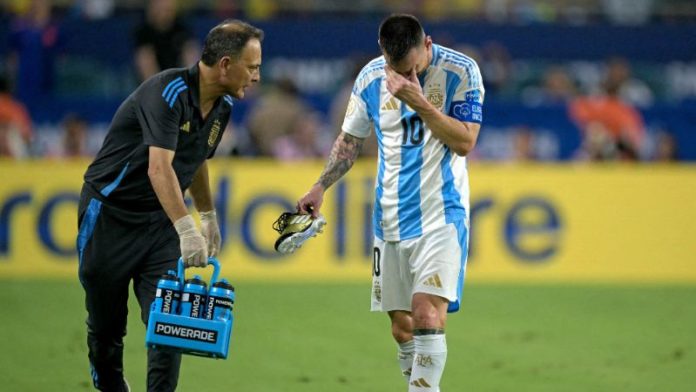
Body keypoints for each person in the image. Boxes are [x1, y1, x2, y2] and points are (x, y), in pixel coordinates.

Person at [296, 14, 484, 392]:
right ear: (383, 56)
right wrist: (320, 186)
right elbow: (350, 141)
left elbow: (465, 142)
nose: (405, 79)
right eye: (397, 71)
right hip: (390, 218)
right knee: (402, 328)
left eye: (413, 69)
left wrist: (420, 103)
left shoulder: (461, 71)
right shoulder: (370, 78)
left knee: (427, 312)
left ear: (427, 45)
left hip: (441, 214)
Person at [76, 20, 263, 391]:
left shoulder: (222, 105)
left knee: (168, 323)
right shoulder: (167, 91)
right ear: (225, 64)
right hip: (109, 218)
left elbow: (194, 161)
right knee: (106, 330)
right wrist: (186, 227)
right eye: (253, 66)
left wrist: (207, 216)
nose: (257, 76)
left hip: (159, 224)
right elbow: (158, 166)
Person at [133, 0, 199, 82]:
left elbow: (190, 58)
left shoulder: (182, 29)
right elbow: (146, 65)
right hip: (153, 86)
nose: (164, 12)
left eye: (167, 9)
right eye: (160, 7)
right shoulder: (144, 32)